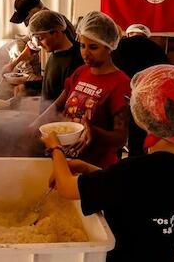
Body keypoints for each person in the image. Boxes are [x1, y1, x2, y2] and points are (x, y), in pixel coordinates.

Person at [41, 64, 174, 262]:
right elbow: (139, 191)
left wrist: (55, 147)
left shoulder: (136, 170)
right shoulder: (142, 172)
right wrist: (89, 169)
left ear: (147, 115)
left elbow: (66, 188)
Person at [29, 11, 130, 168]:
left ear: (109, 46)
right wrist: (36, 124)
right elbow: (58, 104)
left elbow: (120, 138)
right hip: (66, 158)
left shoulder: (120, 83)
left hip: (95, 167)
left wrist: (93, 131)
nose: (85, 53)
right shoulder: (80, 72)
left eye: (93, 47)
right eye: (82, 46)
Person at [112, 23, 168, 157]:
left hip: (119, 98)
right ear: (146, 35)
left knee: (115, 138)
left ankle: (114, 166)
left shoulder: (119, 46)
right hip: (145, 102)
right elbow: (165, 75)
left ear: (129, 33)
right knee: (137, 141)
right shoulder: (156, 49)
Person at [28, 10, 83, 112]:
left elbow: (66, 96)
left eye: (41, 38)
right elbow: (52, 83)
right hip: (47, 122)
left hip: (59, 125)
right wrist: (27, 86)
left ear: (57, 32)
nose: (39, 44)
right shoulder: (54, 54)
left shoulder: (76, 60)